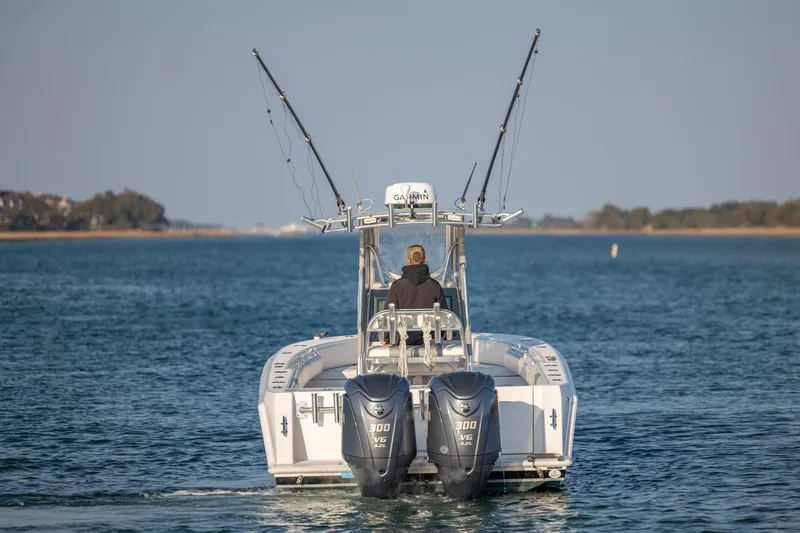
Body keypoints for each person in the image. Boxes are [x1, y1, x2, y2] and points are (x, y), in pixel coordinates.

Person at [383, 244, 447, 346]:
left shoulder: (397, 286)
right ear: (424, 259)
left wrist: (386, 337)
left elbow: (388, 315)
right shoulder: (435, 286)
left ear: (408, 260)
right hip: (429, 342)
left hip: (403, 341)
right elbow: (444, 315)